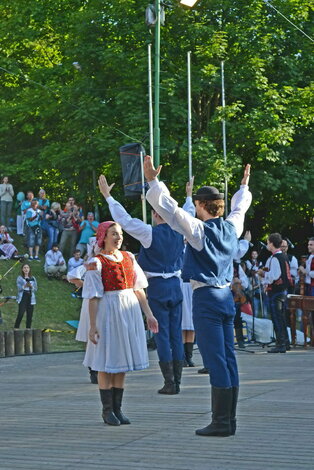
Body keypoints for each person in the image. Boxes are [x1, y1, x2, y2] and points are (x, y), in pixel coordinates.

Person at [144, 155, 252, 437]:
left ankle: (221, 422)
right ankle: (229, 421)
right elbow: (240, 209)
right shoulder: (232, 227)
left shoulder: (199, 230)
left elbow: (172, 210)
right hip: (226, 297)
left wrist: (153, 181)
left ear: (202, 205)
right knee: (228, 357)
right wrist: (243, 187)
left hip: (206, 298)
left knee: (216, 358)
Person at [98, 174, 195, 395]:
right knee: (175, 333)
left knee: (161, 333)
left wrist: (109, 197)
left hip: (158, 286)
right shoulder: (181, 230)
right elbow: (187, 213)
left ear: (154, 213)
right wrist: (188, 196)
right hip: (176, 285)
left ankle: (170, 382)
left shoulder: (150, 233)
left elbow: (125, 221)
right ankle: (177, 380)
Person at [82, 221, 158, 426]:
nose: (118, 237)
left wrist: (149, 314)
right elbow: (93, 296)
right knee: (106, 361)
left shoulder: (129, 257)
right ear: (103, 237)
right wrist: (92, 325)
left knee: (121, 360)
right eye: (114, 234)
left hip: (128, 309)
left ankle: (117, 409)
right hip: (108, 310)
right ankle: (107, 410)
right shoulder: (96, 263)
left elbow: (138, 288)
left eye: (120, 234)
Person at [257, 233, 293, 353]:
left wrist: (263, 275)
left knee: (277, 318)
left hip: (277, 292)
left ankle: (281, 344)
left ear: (272, 243)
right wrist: (264, 271)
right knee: (281, 318)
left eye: (268, 242)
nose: (267, 244)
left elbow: (274, 275)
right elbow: (271, 269)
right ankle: (285, 342)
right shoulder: (279, 257)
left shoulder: (276, 258)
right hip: (281, 292)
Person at [14, 263, 37, 329]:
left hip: (30, 296)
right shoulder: (20, 278)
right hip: (23, 296)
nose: (26, 269)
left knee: (29, 315)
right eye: (24, 268)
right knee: (21, 314)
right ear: (22, 269)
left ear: (29, 269)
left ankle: (28, 330)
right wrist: (25, 286)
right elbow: (19, 289)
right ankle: (16, 328)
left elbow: (35, 289)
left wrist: (31, 286)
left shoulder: (33, 278)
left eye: (27, 268)